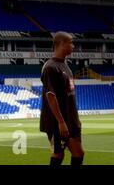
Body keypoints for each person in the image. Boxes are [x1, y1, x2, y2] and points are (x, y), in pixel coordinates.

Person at [40, 31, 85, 166]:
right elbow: (50, 96)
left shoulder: (65, 65)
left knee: (79, 153)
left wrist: (75, 119)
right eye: (71, 42)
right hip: (56, 122)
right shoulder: (50, 67)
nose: (73, 46)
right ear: (61, 44)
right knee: (58, 153)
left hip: (70, 120)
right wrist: (61, 122)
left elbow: (69, 95)